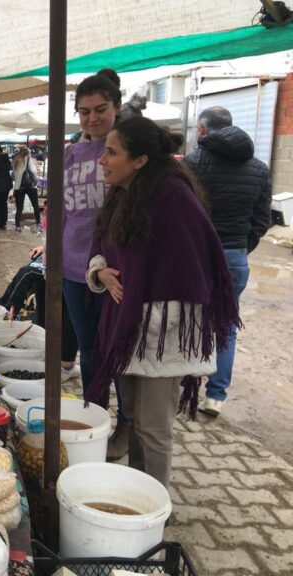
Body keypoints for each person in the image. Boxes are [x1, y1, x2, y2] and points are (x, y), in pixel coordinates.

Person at [85, 117, 239, 488]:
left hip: (161, 332)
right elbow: (102, 246)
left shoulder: (172, 197)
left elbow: (192, 270)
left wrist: (148, 320)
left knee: (154, 426)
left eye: (112, 152)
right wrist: (101, 271)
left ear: (140, 160)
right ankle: (140, 488)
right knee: (135, 414)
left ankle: (154, 504)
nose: (101, 160)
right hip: (128, 326)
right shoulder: (123, 194)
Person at [60, 70, 131, 460]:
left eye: (100, 109)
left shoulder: (128, 150)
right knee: (90, 349)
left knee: (119, 349)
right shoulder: (71, 153)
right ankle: (95, 418)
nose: (92, 118)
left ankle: (127, 425)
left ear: (116, 107)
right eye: (84, 111)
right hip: (74, 267)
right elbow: (64, 212)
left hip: (117, 269)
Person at [184, 106, 272, 417]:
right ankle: (216, 396)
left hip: (197, 255)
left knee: (189, 319)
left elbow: (181, 212)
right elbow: (262, 219)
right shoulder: (260, 168)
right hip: (235, 257)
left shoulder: (193, 163)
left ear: (203, 130)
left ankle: (186, 384)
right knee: (226, 327)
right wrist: (239, 248)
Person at [0, 246, 80, 381]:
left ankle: (66, 365)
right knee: (45, 296)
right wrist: (45, 248)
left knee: (28, 274)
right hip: (56, 261)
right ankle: (5, 311)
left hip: (74, 268)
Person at [12, 147, 41, 233]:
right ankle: (38, 223)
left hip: (18, 187)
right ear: (28, 153)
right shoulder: (29, 160)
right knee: (35, 205)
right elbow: (33, 173)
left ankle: (17, 226)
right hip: (30, 187)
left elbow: (13, 176)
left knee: (19, 208)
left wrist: (18, 181)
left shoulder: (15, 161)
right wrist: (35, 182)